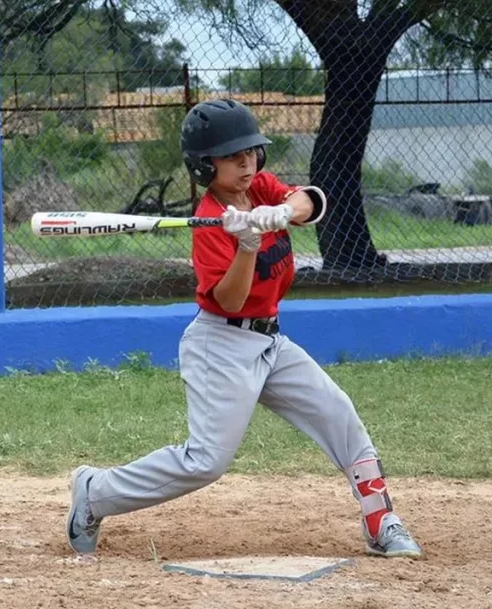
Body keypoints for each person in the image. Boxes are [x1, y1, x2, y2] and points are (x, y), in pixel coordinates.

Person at [65, 98, 423, 559]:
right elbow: (230, 299)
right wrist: (246, 246)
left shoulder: (262, 189)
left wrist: (279, 213)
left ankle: (381, 520)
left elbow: (313, 200)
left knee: (338, 412)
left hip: (269, 340)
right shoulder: (209, 224)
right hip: (221, 343)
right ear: (203, 165)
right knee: (206, 461)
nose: (245, 161)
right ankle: (95, 492)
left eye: (251, 151)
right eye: (232, 155)